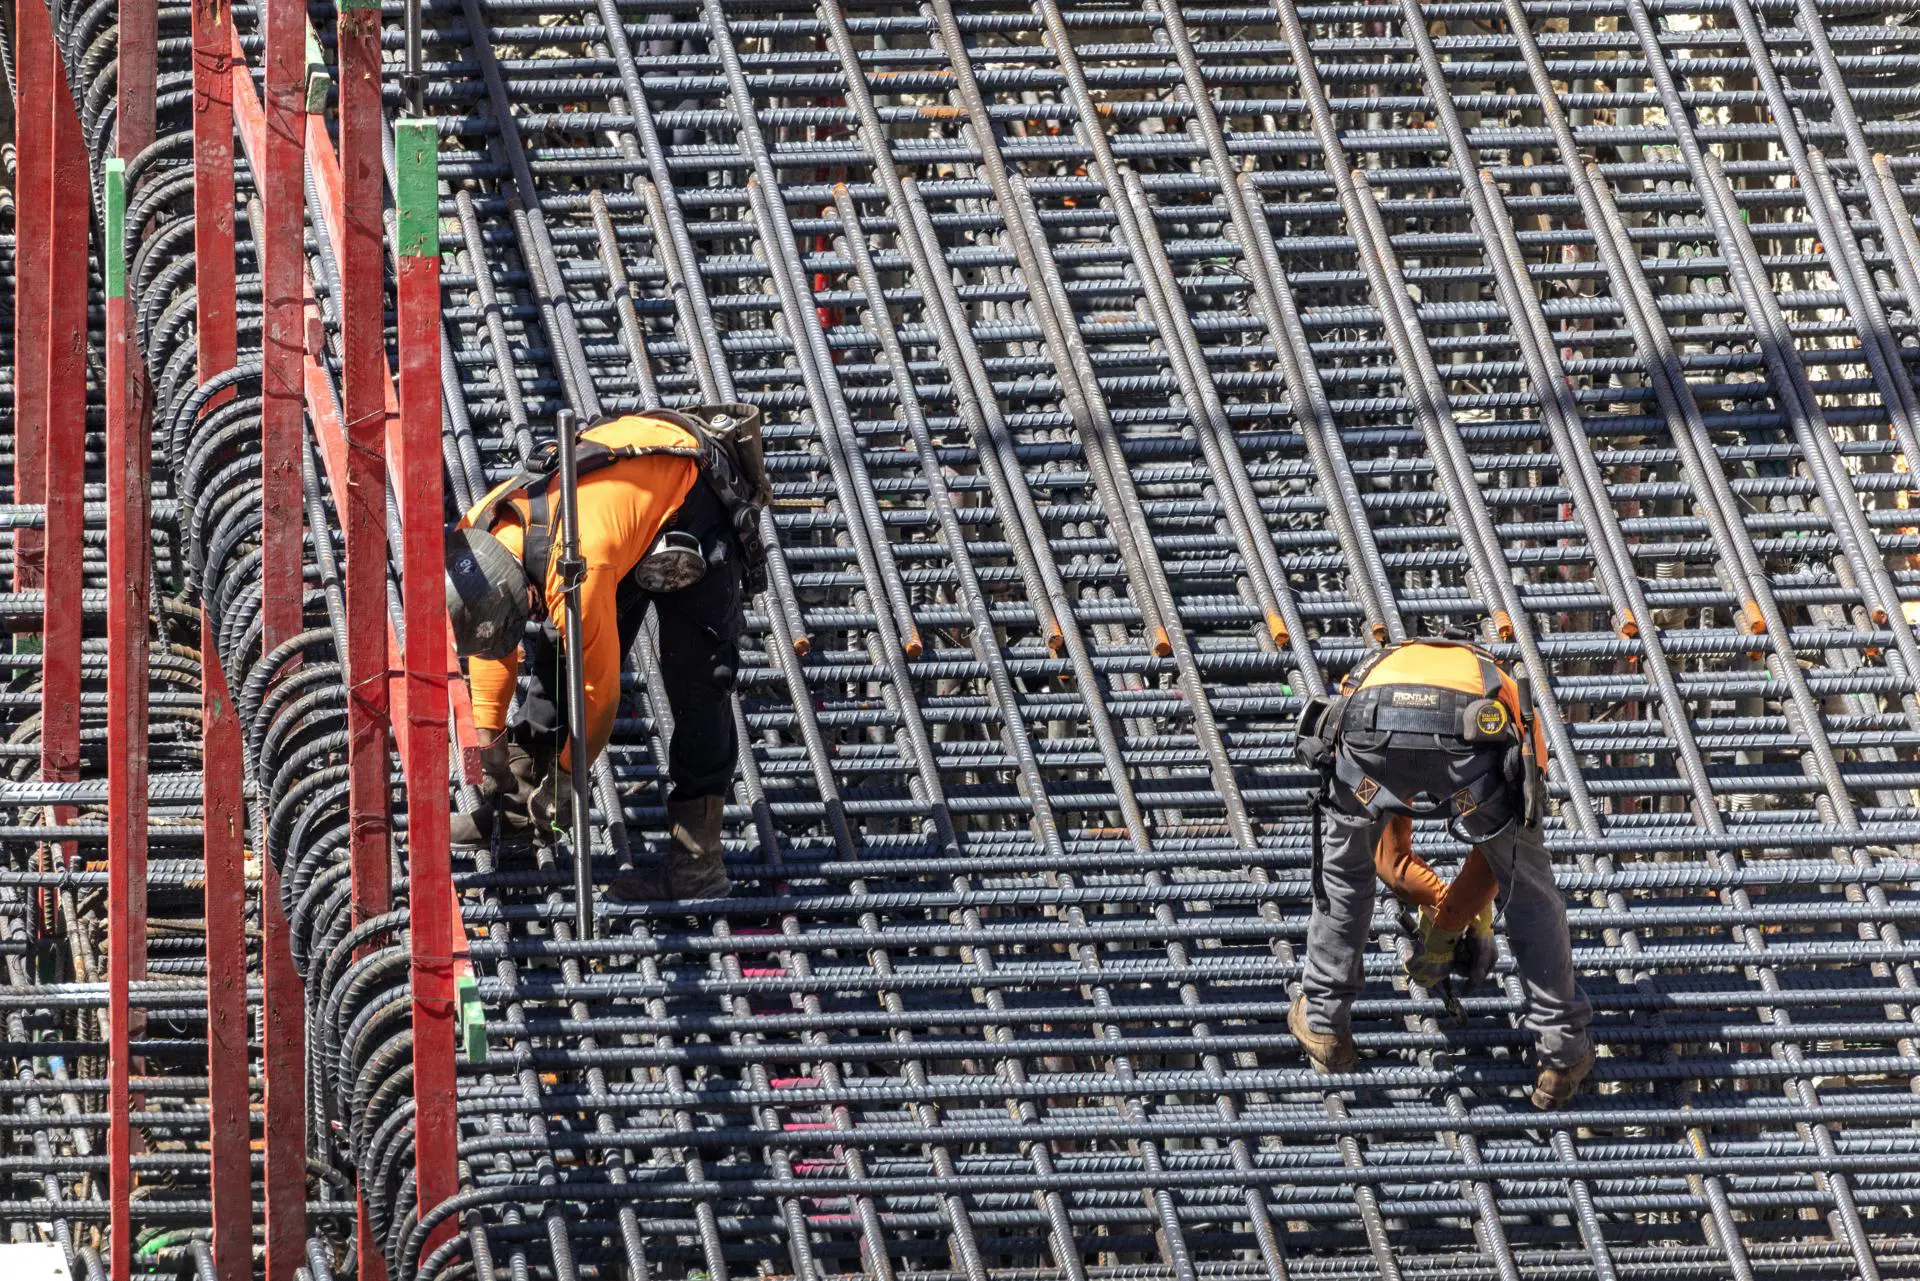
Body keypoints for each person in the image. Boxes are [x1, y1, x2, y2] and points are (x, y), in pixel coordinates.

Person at [443, 405, 769, 901]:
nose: (533, 615)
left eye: (530, 607)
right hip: (620, 508)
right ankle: (519, 809)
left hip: (695, 494)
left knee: (699, 679)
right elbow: (492, 642)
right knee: (556, 655)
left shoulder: (579, 568)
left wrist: (570, 777)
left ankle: (697, 864)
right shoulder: (477, 533)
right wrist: (487, 743)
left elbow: (597, 696)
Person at [1290, 637, 1594, 1109]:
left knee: (1344, 876)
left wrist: (1449, 921)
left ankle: (1325, 1024)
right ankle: (1562, 1054)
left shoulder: (1377, 667)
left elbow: (1387, 864)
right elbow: (1500, 857)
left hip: (1369, 726)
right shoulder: (1506, 692)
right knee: (1531, 892)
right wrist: (1452, 919)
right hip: (1474, 729)